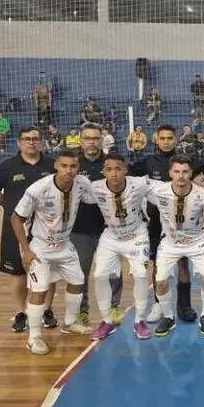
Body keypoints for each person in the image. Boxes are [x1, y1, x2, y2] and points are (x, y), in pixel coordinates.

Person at [11, 150, 93, 355]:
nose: (69, 170)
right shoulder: (39, 188)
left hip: (64, 245)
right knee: (39, 290)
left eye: (73, 166)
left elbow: (99, 197)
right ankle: (34, 337)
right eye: (64, 166)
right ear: (56, 165)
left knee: (77, 281)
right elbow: (16, 218)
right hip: (40, 247)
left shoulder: (82, 184)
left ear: (78, 168)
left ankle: (71, 322)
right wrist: (27, 250)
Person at [0, 126, 57, 332]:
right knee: (18, 272)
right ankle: (20, 313)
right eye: (27, 139)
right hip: (15, 227)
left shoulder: (52, 165)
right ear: (19, 143)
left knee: (48, 271)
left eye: (35, 138)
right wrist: (10, 208)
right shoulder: (7, 166)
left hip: (47, 227)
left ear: (40, 141)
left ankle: (46, 310)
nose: (31, 142)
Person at [83, 153, 153, 341]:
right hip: (111, 236)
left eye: (118, 169)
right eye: (109, 169)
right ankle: (106, 321)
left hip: (137, 235)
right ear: (103, 171)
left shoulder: (139, 184)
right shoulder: (95, 188)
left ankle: (140, 320)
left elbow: (165, 188)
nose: (113, 173)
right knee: (99, 276)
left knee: (140, 275)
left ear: (125, 170)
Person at [130, 124, 195, 324]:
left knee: (183, 264)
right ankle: (158, 304)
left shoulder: (185, 161)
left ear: (176, 140)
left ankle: (184, 306)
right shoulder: (148, 161)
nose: (166, 141)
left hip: (182, 223)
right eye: (163, 138)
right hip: (156, 222)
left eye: (170, 138)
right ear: (156, 140)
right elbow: (125, 175)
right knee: (158, 265)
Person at [148, 155, 204, 336]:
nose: (181, 176)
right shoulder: (157, 190)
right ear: (170, 173)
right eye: (177, 172)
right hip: (170, 242)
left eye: (185, 171)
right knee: (160, 281)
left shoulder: (202, 193)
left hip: (196, 241)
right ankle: (169, 317)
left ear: (191, 173)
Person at [70, 123, 123, 326]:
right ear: (80, 140)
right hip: (79, 229)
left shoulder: (111, 163)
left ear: (102, 140)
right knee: (79, 273)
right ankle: (82, 310)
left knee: (112, 271)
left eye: (95, 138)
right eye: (87, 138)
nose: (91, 142)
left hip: (108, 229)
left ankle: (114, 307)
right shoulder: (72, 163)